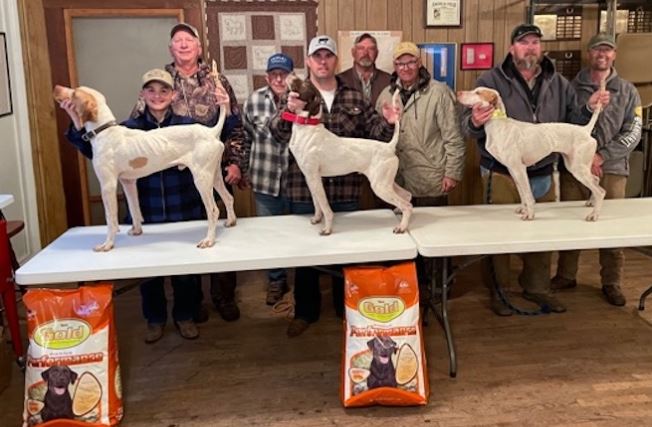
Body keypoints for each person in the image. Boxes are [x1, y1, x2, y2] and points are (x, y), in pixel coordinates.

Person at [460, 24, 609, 316]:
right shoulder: (491, 80)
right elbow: (465, 125)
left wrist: (590, 108)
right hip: (500, 175)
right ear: (512, 48)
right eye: (523, 42)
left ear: (540, 48)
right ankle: (500, 292)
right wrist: (475, 121)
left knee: (542, 240)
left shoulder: (559, 82)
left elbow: (575, 120)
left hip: (542, 172)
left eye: (534, 43)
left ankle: (539, 289)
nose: (530, 47)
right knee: (500, 239)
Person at [61, 69, 205, 342]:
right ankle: (155, 319)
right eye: (151, 90)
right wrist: (75, 119)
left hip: (182, 207)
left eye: (164, 91)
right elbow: (93, 151)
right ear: (142, 95)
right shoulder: (127, 128)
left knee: (185, 271)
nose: (157, 96)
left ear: (172, 95)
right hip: (146, 212)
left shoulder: (186, 125)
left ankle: (185, 316)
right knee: (147, 272)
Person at [270, 35, 401, 337]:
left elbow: (374, 132)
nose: (323, 61)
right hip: (305, 192)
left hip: (346, 191)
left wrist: (390, 121)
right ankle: (305, 312)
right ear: (309, 61)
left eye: (328, 56)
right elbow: (277, 132)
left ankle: (348, 312)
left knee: (348, 258)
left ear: (336, 61)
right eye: (318, 56)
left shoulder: (353, 95)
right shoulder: (295, 93)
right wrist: (289, 111)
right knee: (306, 260)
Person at [155, 22, 245, 322]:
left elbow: (235, 124)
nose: (183, 45)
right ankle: (191, 302)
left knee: (221, 231)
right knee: (189, 234)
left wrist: (234, 162)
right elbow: (143, 123)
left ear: (198, 47)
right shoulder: (160, 82)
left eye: (188, 40)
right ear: (171, 48)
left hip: (212, 163)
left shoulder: (218, 80)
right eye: (177, 40)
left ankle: (224, 296)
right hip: (176, 172)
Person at [552, 33, 642, 306]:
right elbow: (561, 124)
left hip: (611, 170)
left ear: (614, 55)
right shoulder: (570, 88)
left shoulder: (628, 91)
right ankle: (566, 275)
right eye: (597, 50)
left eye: (608, 50)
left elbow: (633, 131)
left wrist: (601, 155)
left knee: (611, 229)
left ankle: (611, 282)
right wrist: (586, 107)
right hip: (574, 168)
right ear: (589, 53)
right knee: (570, 224)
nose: (602, 55)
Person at [376, 41, 465, 292]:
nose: (406, 67)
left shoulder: (438, 92)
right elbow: (378, 136)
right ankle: (408, 293)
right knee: (401, 243)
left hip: (431, 179)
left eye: (411, 61)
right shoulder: (385, 95)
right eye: (401, 63)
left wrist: (453, 172)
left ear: (419, 63)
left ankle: (437, 291)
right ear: (394, 66)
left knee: (433, 243)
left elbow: (453, 136)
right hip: (396, 180)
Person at [242, 53, 294, 305]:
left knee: (300, 232)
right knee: (270, 234)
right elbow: (245, 137)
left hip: (297, 182)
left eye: (283, 74)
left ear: (292, 76)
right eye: (274, 74)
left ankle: (304, 279)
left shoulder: (302, 101)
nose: (279, 78)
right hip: (264, 178)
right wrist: (242, 169)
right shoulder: (253, 101)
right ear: (266, 76)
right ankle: (276, 280)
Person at [337, 33, 391, 107]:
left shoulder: (388, 81)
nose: (365, 53)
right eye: (361, 48)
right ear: (353, 52)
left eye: (371, 49)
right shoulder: (340, 81)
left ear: (377, 53)